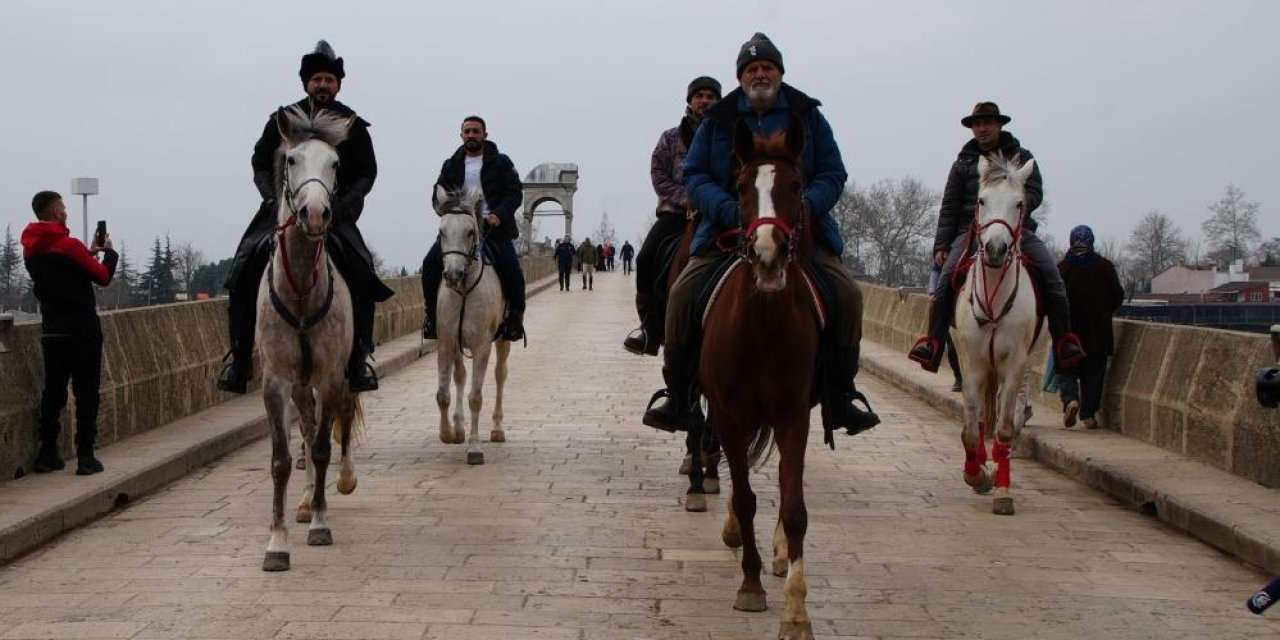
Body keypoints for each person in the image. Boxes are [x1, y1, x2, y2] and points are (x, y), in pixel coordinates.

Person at [642, 33, 880, 437]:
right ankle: (677, 394)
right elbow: (696, 175)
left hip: (799, 233)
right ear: (741, 77)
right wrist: (730, 210)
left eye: (767, 67)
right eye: (751, 69)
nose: (760, 74)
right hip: (727, 232)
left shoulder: (808, 116)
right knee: (681, 295)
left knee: (848, 295)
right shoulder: (719, 120)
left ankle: (842, 394)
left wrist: (803, 207)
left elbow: (833, 173)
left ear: (780, 72)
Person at [218, 40, 393, 394]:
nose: (323, 85)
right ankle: (239, 360)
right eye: (317, 80)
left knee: (362, 273)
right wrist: (272, 198)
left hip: (334, 213)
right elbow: (259, 162)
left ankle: (359, 358)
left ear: (338, 84)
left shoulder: (352, 123)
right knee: (243, 270)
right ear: (306, 84)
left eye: (330, 79)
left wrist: (343, 207)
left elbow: (366, 172)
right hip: (280, 211)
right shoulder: (282, 120)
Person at [908, 101, 1085, 374]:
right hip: (969, 232)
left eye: (987, 123)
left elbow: (1035, 192)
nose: (982, 129)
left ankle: (1064, 341)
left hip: (1014, 228)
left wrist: (1011, 206)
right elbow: (950, 205)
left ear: (999, 125)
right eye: (977, 124)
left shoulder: (1021, 157)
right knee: (944, 285)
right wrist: (942, 244)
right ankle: (933, 343)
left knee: (1053, 277)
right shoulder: (963, 163)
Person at [624, 76, 722, 357]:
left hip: (715, 215)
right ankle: (650, 328)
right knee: (645, 259)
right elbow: (659, 175)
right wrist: (684, 199)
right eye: (699, 96)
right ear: (690, 101)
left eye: (710, 96)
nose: (705, 101)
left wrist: (710, 201)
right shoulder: (670, 138)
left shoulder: (726, 134)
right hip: (676, 216)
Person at [22, 191, 118, 475]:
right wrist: (109, 253)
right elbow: (102, 277)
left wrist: (88, 253)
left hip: (52, 329)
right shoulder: (69, 246)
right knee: (86, 393)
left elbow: (61, 268)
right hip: (82, 330)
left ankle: (47, 454)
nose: (66, 212)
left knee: (53, 393)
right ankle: (86, 457)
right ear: (54, 213)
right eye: (63, 208)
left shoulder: (31, 249)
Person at [421, 115, 526, 342]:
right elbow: (437, 195)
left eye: (475, 131)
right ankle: (431, 317)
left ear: (485, 135)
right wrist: (447, 211)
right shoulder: (451, 164)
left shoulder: (501, 162)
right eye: (467, 131)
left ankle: (515, 320)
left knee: (512, 269)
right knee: (429, 264)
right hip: (461, 230)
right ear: (461, 135)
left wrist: (499, 213)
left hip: (493, 229)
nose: (471, 135)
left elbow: (514, 192)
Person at [1056, 225, 1125, 429]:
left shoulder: (1062, 269)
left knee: (1067, 369)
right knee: (1094, 374)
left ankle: (1070, 400)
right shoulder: (1105, 266)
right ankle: (1088, 415)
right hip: (1098, 332)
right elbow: (1118, 296)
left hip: (1069, 332)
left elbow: (1054, 298)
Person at [927, 264, 963, 392]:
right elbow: (936, 270)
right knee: (951, 345)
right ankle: (931, 349)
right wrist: (933, 293)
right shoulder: (947, 248)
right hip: (949, 297)